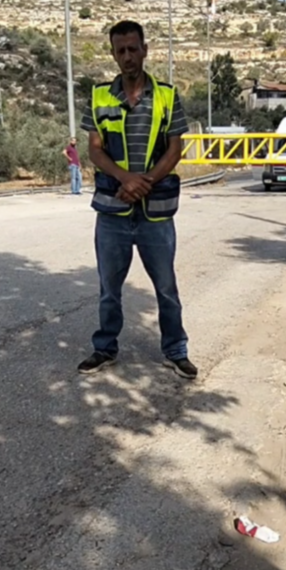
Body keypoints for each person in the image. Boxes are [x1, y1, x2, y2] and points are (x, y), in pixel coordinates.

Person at [76, 20, 198, 380]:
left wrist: (144, 183)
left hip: (155, 213)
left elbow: (175, 149)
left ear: (145, 50)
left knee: (166, 288)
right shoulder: (99, 96)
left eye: (133, 48)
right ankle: (105, 348)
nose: (127, 56)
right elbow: (95, 150)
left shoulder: (167, 96)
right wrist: (125, 178)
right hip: (112, 212)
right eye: (121, 51)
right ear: (113, 54)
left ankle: (176, 351)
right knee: (108, 290)